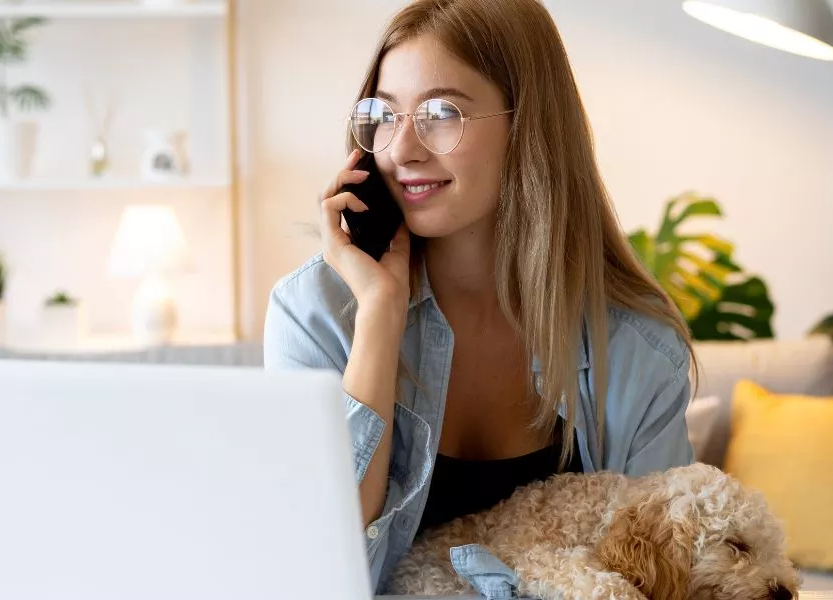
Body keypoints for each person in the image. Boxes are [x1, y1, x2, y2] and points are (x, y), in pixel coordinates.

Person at [263, 0, 696, 594]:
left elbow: (669, 580)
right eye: (384, 116)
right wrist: (381, 314)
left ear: (530, 125)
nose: (401, 149)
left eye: (441, 113)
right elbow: (316, 572)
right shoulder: (313, 313)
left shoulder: (637, 350)